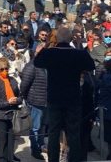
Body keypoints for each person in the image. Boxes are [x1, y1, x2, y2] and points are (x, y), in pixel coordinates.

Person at [34, 27, 95, 162]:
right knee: (73, 133)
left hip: (55, 98)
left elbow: (37, 63)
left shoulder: (49, 53)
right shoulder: (79, 54)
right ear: (70, 38)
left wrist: (38, 52)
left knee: (54, 133)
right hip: (73, 98)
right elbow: (91, 66)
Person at [0, 56, 21, 162]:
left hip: (12, 114)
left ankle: (10, 159)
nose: (5, 71)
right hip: (0, 116)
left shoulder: (12, 80)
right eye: (2, 69)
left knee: (11, 141)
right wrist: (8, 102)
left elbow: (20, 96)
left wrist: (17, 100)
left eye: (6, 68)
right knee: (2, 142)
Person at [20, 49, 47, 160]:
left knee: (42, 126)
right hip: (35, 101)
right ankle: (35, 150)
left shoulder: (47, 65)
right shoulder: (31, 66)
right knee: (35, 127)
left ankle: (41, 145)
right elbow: (24, 84)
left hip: (46, 101)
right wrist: (26, 98)